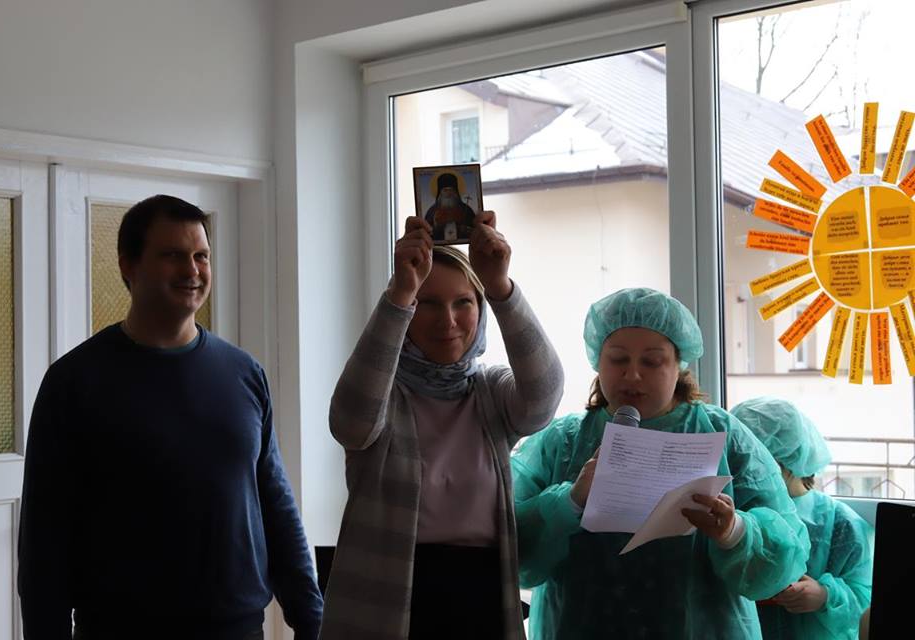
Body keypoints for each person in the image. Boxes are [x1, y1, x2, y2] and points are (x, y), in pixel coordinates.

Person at [18, 195, 322, 640]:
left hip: (237, 627)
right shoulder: (75, 382)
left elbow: (274, 501)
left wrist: (312, 617)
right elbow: (44, 540)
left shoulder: (244, 373)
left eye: (201, 256)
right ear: (128, 265)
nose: (192, 270)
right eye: (173, 255)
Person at [512, 287, 810, 639]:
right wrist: (570, 501)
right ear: (597, 362)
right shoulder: (562, 442)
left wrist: (734, 531)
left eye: (651, 362)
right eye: (618, 360)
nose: (632, 375)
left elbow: (784, 552)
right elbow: (513, 550)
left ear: (679, 365)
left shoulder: (723, 435)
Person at [319, 212, 563, 640]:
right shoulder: (384, 393)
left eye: (463, 302)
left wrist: (500, 287)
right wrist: (400, 293)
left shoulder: (490, 390)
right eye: (427, 303)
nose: (447, 320)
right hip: (386, 603)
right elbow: (350, 423)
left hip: (481, 598)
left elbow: (542, 399)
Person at [730, 397, 874, 639]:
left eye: (755, 462)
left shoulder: (839, 524)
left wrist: (825, 596)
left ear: (787, 461)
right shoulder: (734, 513)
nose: (746, 471)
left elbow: (865, 604)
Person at [424, 172, 477, 242]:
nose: (448, 193)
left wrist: (463, 228)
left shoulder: (466, 210)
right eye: (445, 190)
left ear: (456, 192)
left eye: (451, 190)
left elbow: (474, 231)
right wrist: (437, 226)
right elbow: (427, 233)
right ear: (440, 193)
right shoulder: (432, 211)